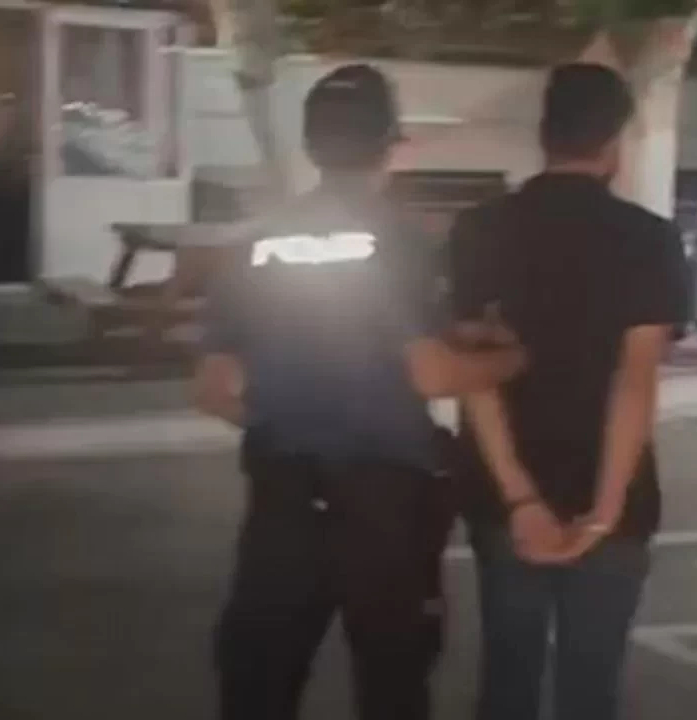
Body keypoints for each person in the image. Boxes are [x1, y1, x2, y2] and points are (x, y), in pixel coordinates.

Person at [192, 63, 527, 720]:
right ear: (390, 143)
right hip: (383, 505)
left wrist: (287, 415)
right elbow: (432, 374)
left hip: (282, 499)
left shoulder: (257, 244)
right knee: (392, 685)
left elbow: (211, 390)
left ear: (311, 144)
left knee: (258, 685)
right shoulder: (403, 241)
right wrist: (512, 360)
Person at [446, 63, 689, 720]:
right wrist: (604, 512)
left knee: (509, 680)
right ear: (615, 142)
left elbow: (474, 375)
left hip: (504, 499)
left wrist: (521, 499)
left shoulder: (481, 228)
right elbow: (635, 381)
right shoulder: (648, 239)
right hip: (614, 500)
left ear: (544, 134)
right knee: (591, 686)